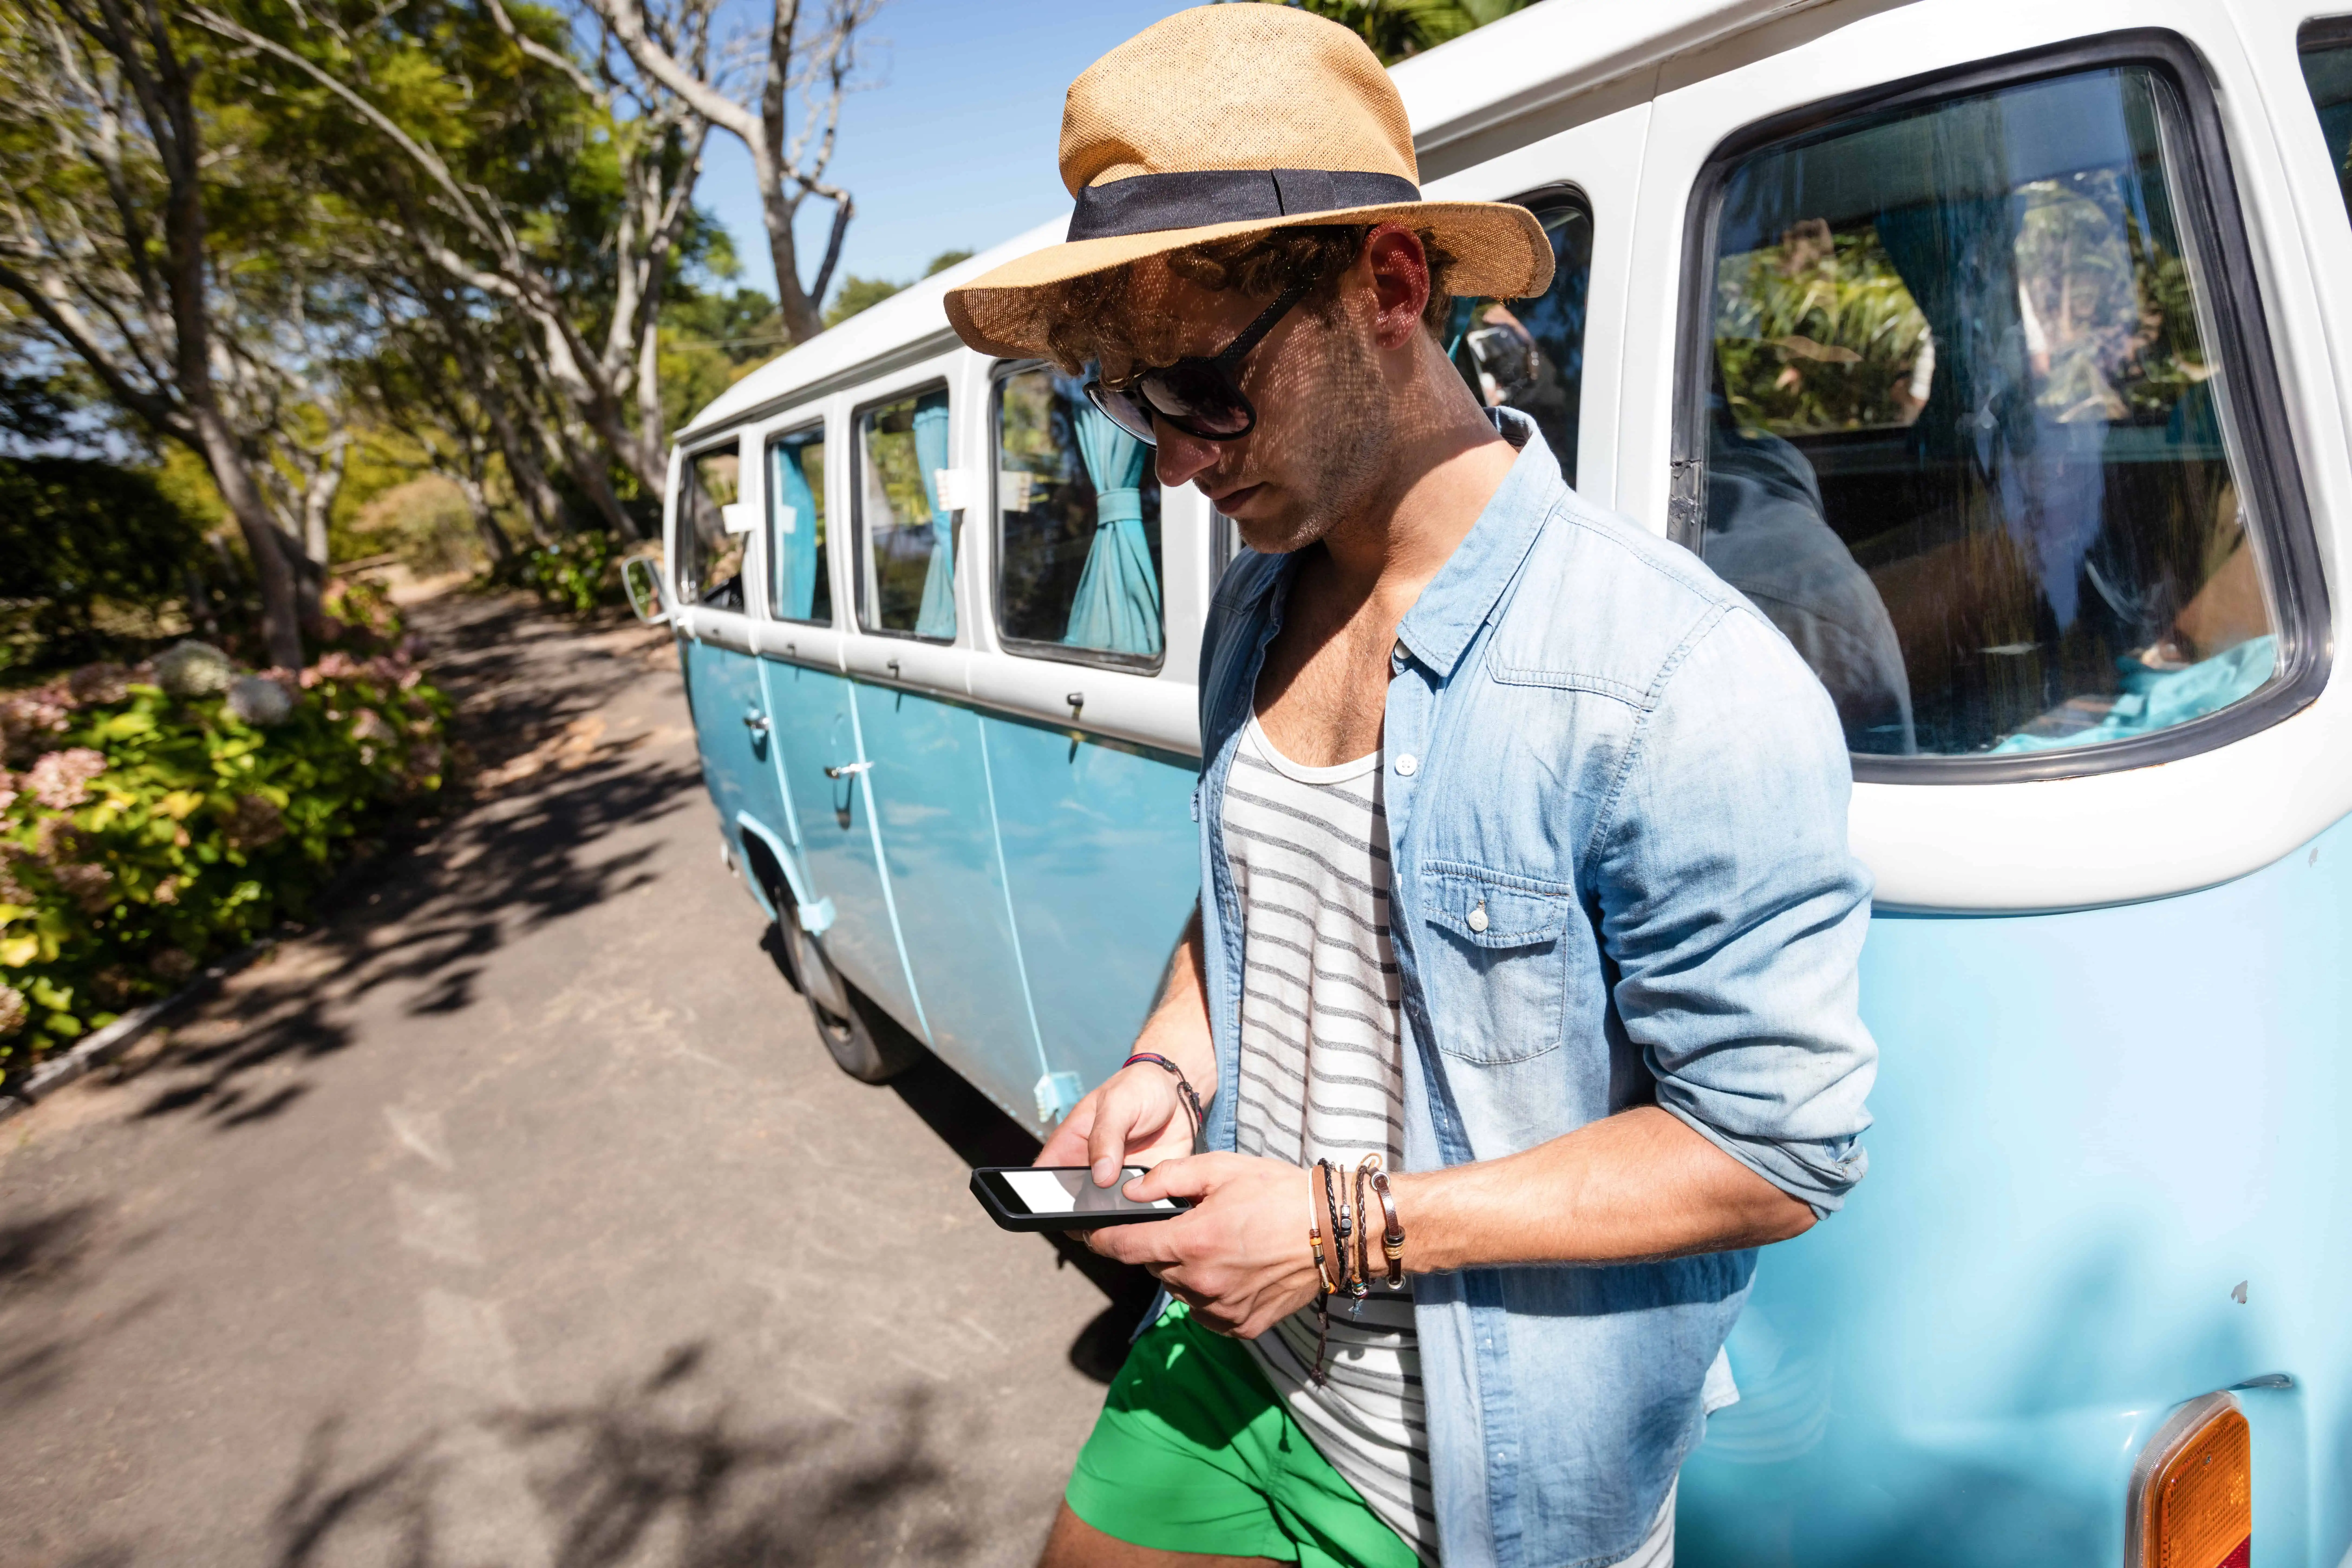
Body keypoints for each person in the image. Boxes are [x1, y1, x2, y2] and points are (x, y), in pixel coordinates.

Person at [944, 9, 1878, 1566]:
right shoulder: (1259, 593)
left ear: (1388, 285)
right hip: (1236, 1354)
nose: (1173, 462)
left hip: (1483, 1475)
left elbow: (1778, 1151)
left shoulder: (1675, 681)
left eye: (1198, 388)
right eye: (1128, 407)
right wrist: (1169, 1066)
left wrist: (1335, 1232)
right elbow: (1253, 886)